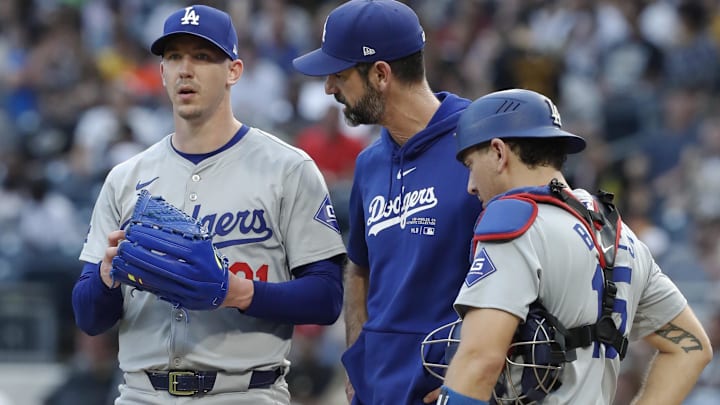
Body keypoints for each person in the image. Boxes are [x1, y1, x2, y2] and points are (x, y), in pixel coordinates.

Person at [71, 5, 347, 405]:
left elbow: (326, 298)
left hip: (246, 392)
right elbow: (88, 318)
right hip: (142, 394)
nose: (186, 69)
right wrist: (106, 276)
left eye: (202, 57)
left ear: (234, 70)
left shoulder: (287, 169)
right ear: (162, 72)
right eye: (174, 57)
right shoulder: (125, 178)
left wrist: (235, 292)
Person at [434, 88, 712, 404]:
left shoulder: (515, 221)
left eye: (471, 164)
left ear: (499, 152)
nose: (470, 185)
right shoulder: (619, 233)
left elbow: (479, 360)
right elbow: (691, 347)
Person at [292, 1, 483, 404]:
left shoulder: (480, 142)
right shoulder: (369, 164)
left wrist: (473, 377)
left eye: (339, 75)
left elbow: (519, 269)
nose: (329, 88)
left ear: (380, 74)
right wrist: (356, 359)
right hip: (377, 388)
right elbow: (358, 270)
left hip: (449, 387)